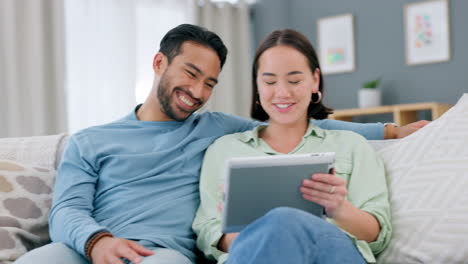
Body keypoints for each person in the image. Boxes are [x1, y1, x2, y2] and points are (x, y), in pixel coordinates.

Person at [15, 24, 420, 264]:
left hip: (160, 253)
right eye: (190, 74)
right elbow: (67, 209)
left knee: (279, 222)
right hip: (87, 245)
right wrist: (96, 241)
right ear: (159, 64)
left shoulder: (214, 129)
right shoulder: (93, 141)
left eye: (209, 83)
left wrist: (391, 131)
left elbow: (294, 119)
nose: (196, 91)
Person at [193, 29, 392, 264]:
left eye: (295, 80)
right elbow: (207, 232)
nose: (282, 93)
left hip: (333, 254)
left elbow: (378, 235)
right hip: (251, 256)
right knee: (276, 227)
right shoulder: (223, 150)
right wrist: (254, 235)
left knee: (283, 220)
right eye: (269, 81)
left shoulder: (351, 145)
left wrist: (338, 208)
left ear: (315, 80)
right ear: (257, 85)